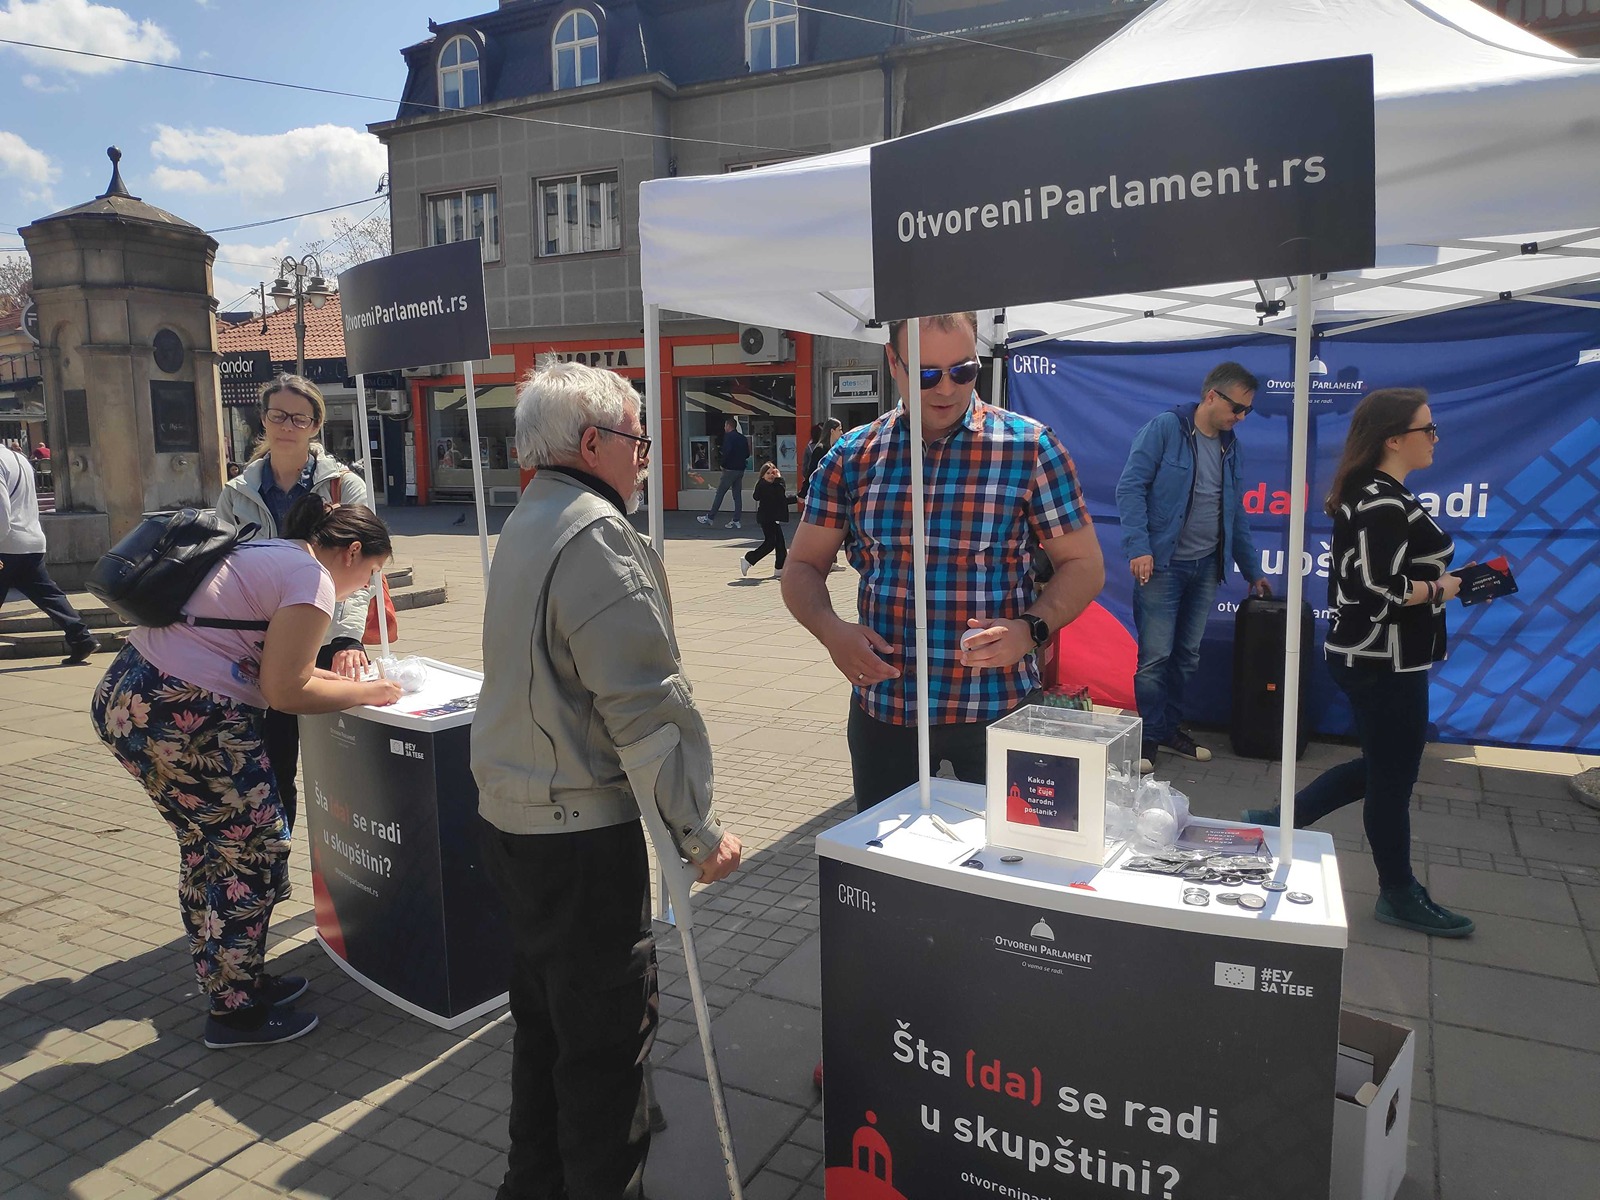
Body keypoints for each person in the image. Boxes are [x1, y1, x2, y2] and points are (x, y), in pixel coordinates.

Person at [472, 359, 743, 1200]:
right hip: (577, 833)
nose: (644, 456)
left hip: (519, 817)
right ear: (593, 442)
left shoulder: (534, 514)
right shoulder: (593, 529)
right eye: (637, 439)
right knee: (600, 1053)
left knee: (547, 1029)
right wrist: (697, 833)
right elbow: (646, 705)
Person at [90, 496, 403, 1047]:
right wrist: (371, 692)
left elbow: (282, 671)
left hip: (131, 697)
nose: (367, 587)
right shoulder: (314, 582)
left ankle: (234, 978)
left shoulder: (275, 552)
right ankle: (235, 1012)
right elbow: (286, 691)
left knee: (207, 846)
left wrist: (357, 686)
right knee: (254, 849)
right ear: (353, 552)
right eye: (372, 573)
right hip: (185, 714)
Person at [782, 312, 1104, 810]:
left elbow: (1084, 564)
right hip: (888, 710)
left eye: (964, 370)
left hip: (998, 706)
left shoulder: (1029, 447)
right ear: (893, 361)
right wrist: (830, 631)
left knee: (1007, 871)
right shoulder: (853, 456)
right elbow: (801, 566)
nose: (947, 388)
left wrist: (1030, 629)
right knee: (889, 875)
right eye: (927, 373)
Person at [1244, 389, 1473, 937]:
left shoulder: (1378, 493)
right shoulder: (1380, 500)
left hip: (1381, 655)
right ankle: (1397, 892)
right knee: (1393, 776)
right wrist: (1441, 588)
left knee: (1385, 765)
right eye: (1428, 428)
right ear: (1394, 439)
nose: (1436, 437)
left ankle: (1279, 821)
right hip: (1381, 657)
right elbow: (1377, 592)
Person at [215, 374, 374, 832]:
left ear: (315, 425)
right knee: (271, 764)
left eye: (299, 417)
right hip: (260, 643)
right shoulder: (237, 492)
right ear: (263, 421)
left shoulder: (343, 488)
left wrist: (347, 638)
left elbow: (362, 570)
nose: (287, 425)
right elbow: (226, 567)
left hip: (324, 634)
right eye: (277, 415)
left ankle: (349, 857)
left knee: (341, 760)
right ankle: (276, 861)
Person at [1115, 361, 1270, 775]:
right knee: (1155, 657)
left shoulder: (1230, 445)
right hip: (1161, 566)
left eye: (1247, 412)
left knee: (1186, 656)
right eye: (1237, 408)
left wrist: (1253, 570)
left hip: (1205, 567)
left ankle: (1168, 730)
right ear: (1211, 396)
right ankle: (1146, 739)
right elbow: (1130, 487)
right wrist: (1139, 548)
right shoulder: (1166, 429)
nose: (1240, 418)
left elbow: (1235, 511)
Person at [0, 440, 99, 663]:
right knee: (48, 595)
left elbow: (2, 511)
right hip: (31, 541)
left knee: (47, 594)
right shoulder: (19, 459)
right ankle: (81, 638)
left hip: (6, 544)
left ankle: (82, 638)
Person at [740, 460, 795, 579]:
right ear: (763, 475)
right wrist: (779, 479)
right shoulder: (764, 486)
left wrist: (797, 499)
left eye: (773, 473)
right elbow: (779, 494)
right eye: (768, 473)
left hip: (772, 518)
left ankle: (780, 569)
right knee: (770, 543)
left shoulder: (772, 486)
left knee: (780, 544)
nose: (771, 475)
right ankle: (748, 559)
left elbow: (780, 499)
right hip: (767, 519)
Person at [696, 415, 749, 529]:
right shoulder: (742, 438)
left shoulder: (729, 437)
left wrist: (722, 464)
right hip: (740, 470)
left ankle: (710, 517)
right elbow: (747, 454)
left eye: (725, 425)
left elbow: (727, 452)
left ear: (729, 426)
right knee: (737, 495)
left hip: (729, 470)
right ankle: (736, 520)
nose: (724, 427)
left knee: (720, 493)